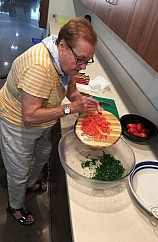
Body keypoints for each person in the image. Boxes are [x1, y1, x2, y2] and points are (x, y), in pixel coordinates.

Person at [0, 17, 101, 225]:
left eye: (87, 61)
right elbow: (30, 115)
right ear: (63, 45)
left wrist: (80, 100)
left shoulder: (64, 58)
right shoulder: (40, 66)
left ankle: (28, 184)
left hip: (42, 122)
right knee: (19, 168)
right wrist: (70, 108)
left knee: (42, 154)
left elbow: (70, 87)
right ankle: (15, 205)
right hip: (17, 122)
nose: (82, 68)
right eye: (80, 60)